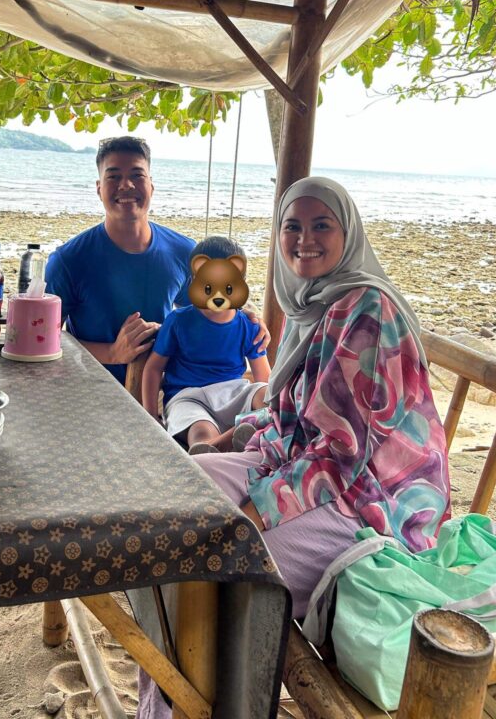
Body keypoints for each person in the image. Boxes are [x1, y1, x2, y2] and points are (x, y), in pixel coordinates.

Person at [196, 176, 451, 620]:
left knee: (234, 568)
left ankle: (216, 690)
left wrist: (255, 511)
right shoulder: (311, 305)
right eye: (292, 226)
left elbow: (342, 455)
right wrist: (226, 440)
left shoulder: (367, 311)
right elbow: (290, 416)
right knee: (185, 495)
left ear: (347, 233)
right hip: (304, 465)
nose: (304, 239)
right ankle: (172, 689)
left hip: (374, 498)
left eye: (322, 226)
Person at [44, 137, 268, 383]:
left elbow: (204, 310)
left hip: (166, 392)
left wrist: (247, 319)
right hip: (90, 390)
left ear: (151, 186)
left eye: (137, 175)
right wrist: (112, 353)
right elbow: (43, 337)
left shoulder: (185, 252)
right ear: (99, 188)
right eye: (114, 176)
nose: (126, 185)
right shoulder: (68, 259)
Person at [141, 235, 271, 453]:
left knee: (266, 395)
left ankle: (234, 436)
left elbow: (264, 377)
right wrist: (151, 415)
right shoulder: (178, 321)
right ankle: (216, 444)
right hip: (189, 396)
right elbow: (154, 368)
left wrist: (268, 401)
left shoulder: (249, 326)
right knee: (200, 429)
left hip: (233, 392)